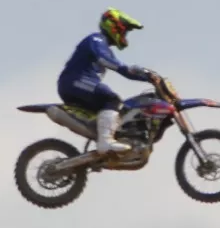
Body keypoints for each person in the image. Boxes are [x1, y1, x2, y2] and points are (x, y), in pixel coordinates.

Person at [56, 9, 157, 155]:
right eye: (125, 31)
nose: (125, 36)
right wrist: (132, 69)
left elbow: (123, 71)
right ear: (114, 26)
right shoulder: (96, 39)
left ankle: (110, 137)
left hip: (77, 84)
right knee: (112, 99)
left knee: (113, 110)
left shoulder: (105, 48)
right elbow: (106, 60)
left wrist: (148, 77)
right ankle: (105, 142)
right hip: (74, 81)